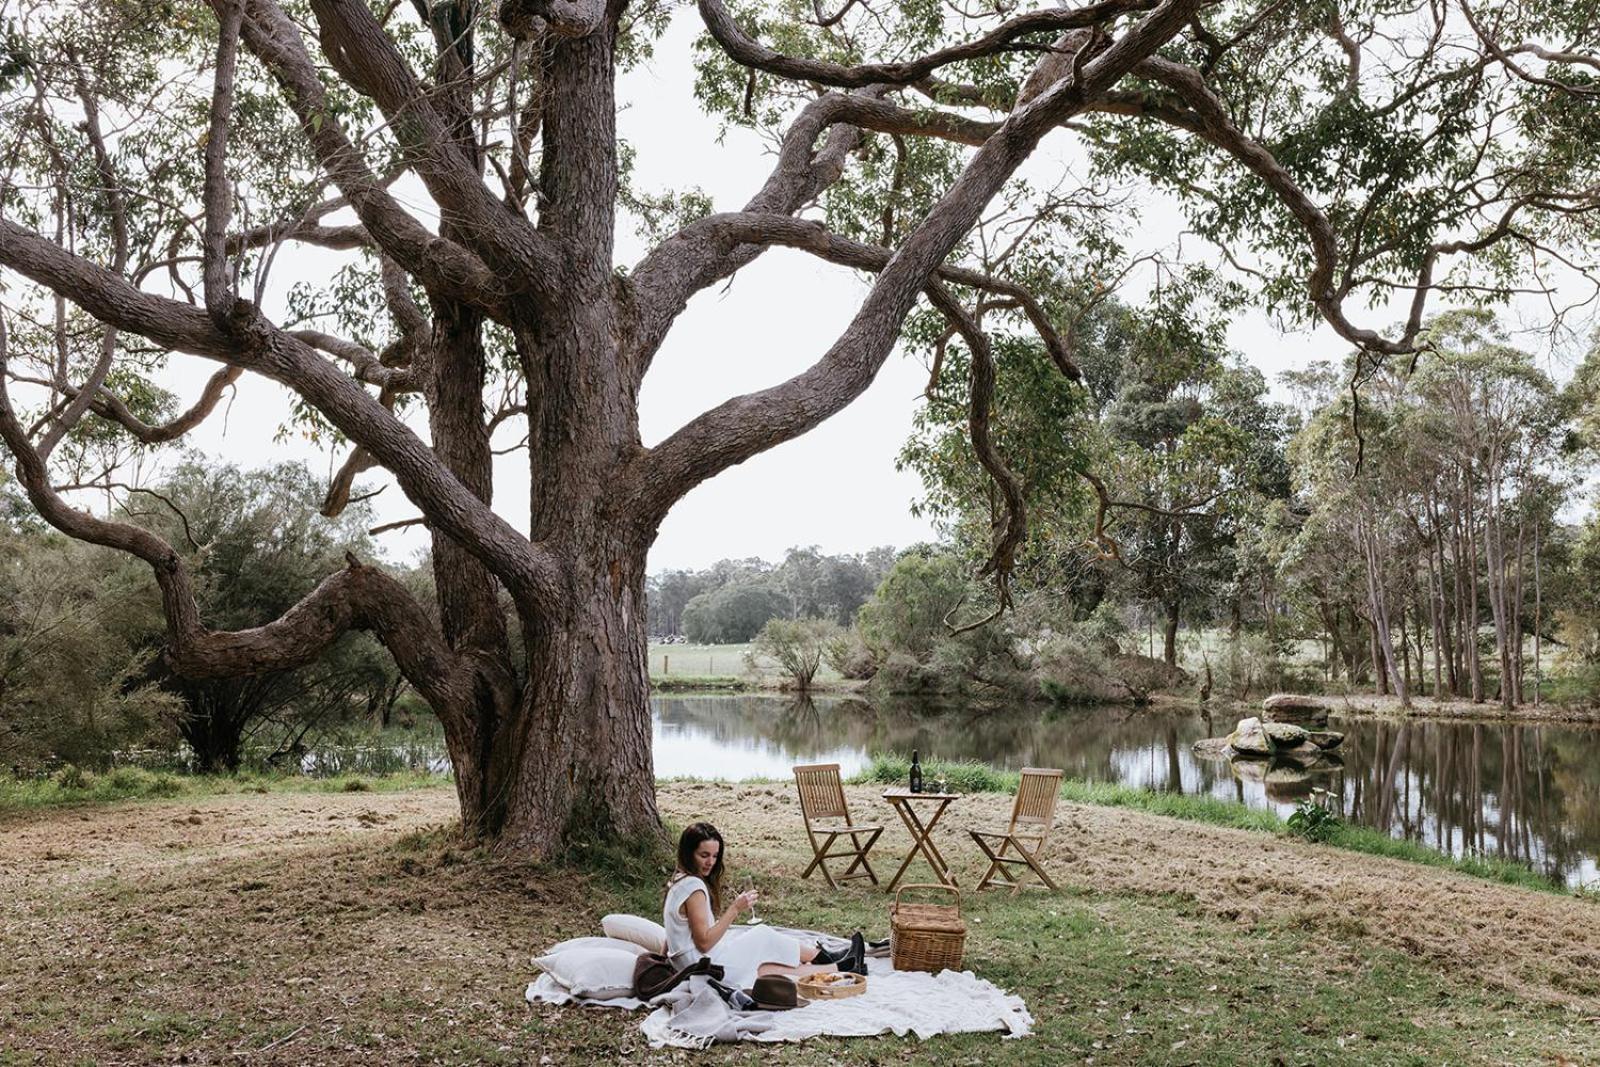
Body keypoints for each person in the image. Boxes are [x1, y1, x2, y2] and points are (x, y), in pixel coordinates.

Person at [663, 822, 865, 990]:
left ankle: (840, 966)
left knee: (764, 969)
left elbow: (671, 932)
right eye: (704, 855)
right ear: (689, 853)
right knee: (762, 935)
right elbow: (704, 943)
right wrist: (735, 909)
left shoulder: (678, 881)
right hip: (702, 964)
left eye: (715, 856)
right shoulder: (694, 888)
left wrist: (668, 959)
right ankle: (821, 956)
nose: (711, 862)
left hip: (688, 965)